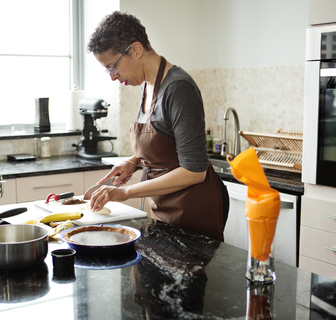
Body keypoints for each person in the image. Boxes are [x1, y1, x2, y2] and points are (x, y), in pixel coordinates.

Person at [86, 11, 229, 241]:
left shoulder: (178, 88)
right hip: (164, 213)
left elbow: (195, 171)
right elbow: (164, 144)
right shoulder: (148, 85)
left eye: (113, 67)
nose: (113, 77)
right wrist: (133, 161)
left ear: (135, 50)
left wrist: (124, 193)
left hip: (192, 216)